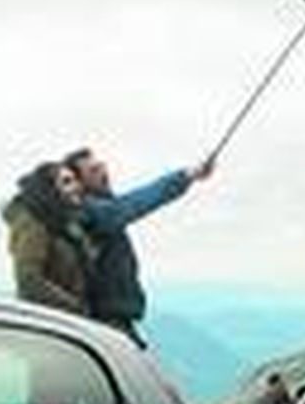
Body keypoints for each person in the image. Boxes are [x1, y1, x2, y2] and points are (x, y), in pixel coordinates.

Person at [63, 148, 214, 345]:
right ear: (80, 183)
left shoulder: (102, 209)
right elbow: (137, 202)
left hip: (110, 319)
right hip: (106, 320)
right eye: (93, 171)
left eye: (101, 166)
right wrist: (186, 176)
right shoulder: (91, 212)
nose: (103, 173)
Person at [2, 162, 95, 315]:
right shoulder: (33, 224)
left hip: (67, 319)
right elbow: (29, 281)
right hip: (49, 321)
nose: (76, 187)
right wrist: (75, 307)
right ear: (49, 189)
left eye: (75, 180)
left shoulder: (65, 224)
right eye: (66, 182)